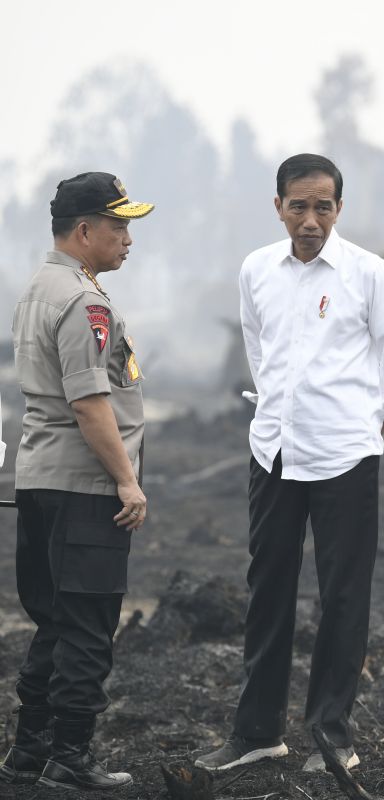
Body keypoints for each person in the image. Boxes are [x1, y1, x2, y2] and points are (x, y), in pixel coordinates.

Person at [197, 154, 384, 774]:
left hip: (345, 456)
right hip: (273, 451)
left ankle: (331, 735)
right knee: (268, 590)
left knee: (343, 596)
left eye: (324, 206)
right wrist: (278, 414)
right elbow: (259, 347)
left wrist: (368, 422)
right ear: (278, 207)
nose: (311, 218)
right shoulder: (256, 270)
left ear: (339, 210)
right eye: (299, 205)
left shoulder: (368, 273)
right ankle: (258, 732)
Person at [4, 172, 153, 790]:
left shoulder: (39, 286)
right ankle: (71, 755)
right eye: (119, 226)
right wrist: (127, 482)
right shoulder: (85, 302)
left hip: (39, 479)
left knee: (58, 623)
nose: (127, 239)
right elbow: (91, 402)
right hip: (84, 487)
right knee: (89, 625)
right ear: (85, 229)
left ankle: (28, 749)